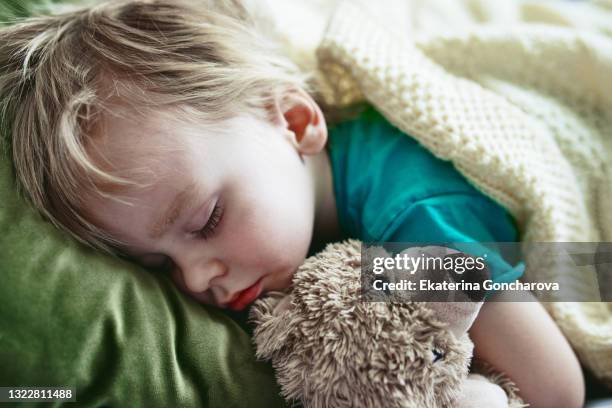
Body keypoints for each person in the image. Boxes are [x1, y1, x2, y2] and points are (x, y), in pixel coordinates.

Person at [0, 0, 584, 406]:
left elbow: (556, 388)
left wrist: (379, 280)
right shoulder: (259, 219)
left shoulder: (418, 215)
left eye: (207, 221)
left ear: (297, 122)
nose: (198, 277)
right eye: (157, 265)